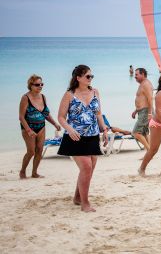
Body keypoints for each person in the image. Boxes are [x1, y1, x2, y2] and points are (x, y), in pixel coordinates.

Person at [57, 65, 109, 212]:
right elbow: (61, 117)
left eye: (91, 76)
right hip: (75, 137)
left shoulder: (95, 92)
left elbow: (99, 114)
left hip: (93, 136)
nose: (90, 78)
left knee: (89, 169)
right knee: (86, 167)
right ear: (78, 78)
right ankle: (85, 204)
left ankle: (77, 197)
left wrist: (104, 129)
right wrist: (69, 129)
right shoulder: (69, 94)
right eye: (87, 76)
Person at [18, 75, 61, 179]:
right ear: (31, 85)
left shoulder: (43, 97)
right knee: (31, 151)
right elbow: (21, 117)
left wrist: (55, 124)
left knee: (39, 150)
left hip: (41, 127)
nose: (40, 86)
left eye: (42, 84)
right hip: (28, 128)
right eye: (37, 84)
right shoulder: (25, 98)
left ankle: (34, 173)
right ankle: (22, 171)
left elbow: (46, 114)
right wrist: (28, 130)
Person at [130, 68, 152, 151]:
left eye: (136, 75)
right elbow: (143, 99)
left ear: (142, 74)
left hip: (145, 111)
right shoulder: (142, 84)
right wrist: (136, 110)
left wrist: (149, 113)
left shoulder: (146, 84)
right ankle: (149, 152)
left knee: (136, 133)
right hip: (141, 111)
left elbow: (150, 99)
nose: (135, 76)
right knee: (145, 133)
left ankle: (149, 151)